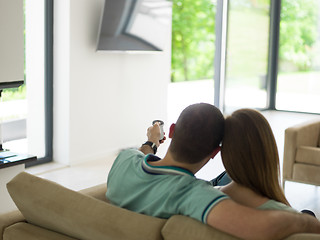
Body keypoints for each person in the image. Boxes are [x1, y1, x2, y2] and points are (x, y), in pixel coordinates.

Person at [106, 103, 320, 240]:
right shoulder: (193, 194)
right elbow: (261, 229)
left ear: (171, 131)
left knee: (228, 177)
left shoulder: (124, 160)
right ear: (215, 152)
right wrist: (306, 218)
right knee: (240, 178)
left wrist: (151, 142)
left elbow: (140, 155)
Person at [220, 108, 316, 216]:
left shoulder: (208, 197)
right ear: (269, 149)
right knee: (308, 214)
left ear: (225, 152)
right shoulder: (290, 218)